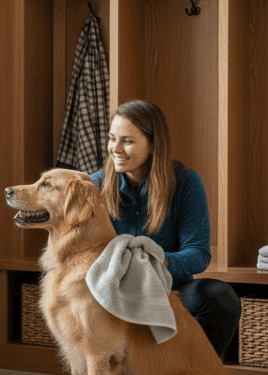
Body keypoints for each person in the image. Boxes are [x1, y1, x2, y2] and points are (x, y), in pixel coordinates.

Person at [88, 99, 241, 356]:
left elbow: (198, 254)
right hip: (115, 289)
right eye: (112, 138)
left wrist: (152, 259)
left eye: (128, 141)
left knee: (220, 297)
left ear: (153, 145)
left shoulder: (185, 183)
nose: (115, 148)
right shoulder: (95, 185)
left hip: (169, 288)